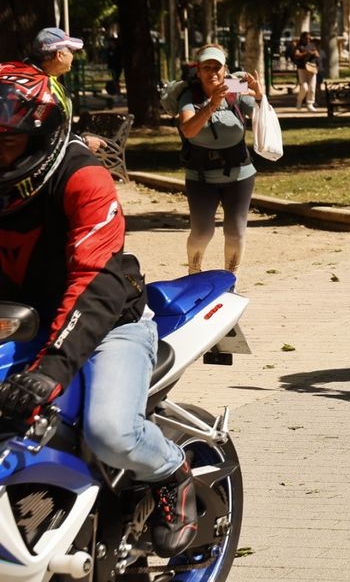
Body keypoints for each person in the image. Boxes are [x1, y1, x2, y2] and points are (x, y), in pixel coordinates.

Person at [0, 67, 197, 558]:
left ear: (41, 136)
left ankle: (173, 472)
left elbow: (93, 283)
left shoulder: (82, 177)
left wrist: (50, 371)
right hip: (21, 319)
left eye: (6, 141)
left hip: (109, 320)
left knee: (110, 431)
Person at [177, 44, 264, 275]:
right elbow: (188, 130)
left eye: (217, 67)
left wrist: (259, 95)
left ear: (225, 70)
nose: (212, 72)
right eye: (206, 67)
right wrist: (212, 104)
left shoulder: (235, 87)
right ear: (198, 71)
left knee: (236, 232)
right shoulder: (190, 95)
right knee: (202, 232)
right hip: (201, 176)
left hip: (240, 173)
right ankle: (194, 273)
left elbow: (259, 110)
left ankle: (230, 279)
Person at [25, 27, 105, 153]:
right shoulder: (46, 89)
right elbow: (46, 137)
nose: (73, 56)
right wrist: (82, 142)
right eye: (71, 51)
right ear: (60, 55)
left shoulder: (27, 76)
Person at [291, 31, 321, 112]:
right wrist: (306, 53)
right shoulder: (299, 46)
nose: (308, 40)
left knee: (312, 88)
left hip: (312, 68)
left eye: (309, 38)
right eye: (306, 38)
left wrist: (315, 53)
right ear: (302, 38)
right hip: (302, 68)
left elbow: (318, 55)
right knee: (304, 87)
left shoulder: (312, 45)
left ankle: (310, 104)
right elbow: (296, 55)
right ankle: (299, 100)